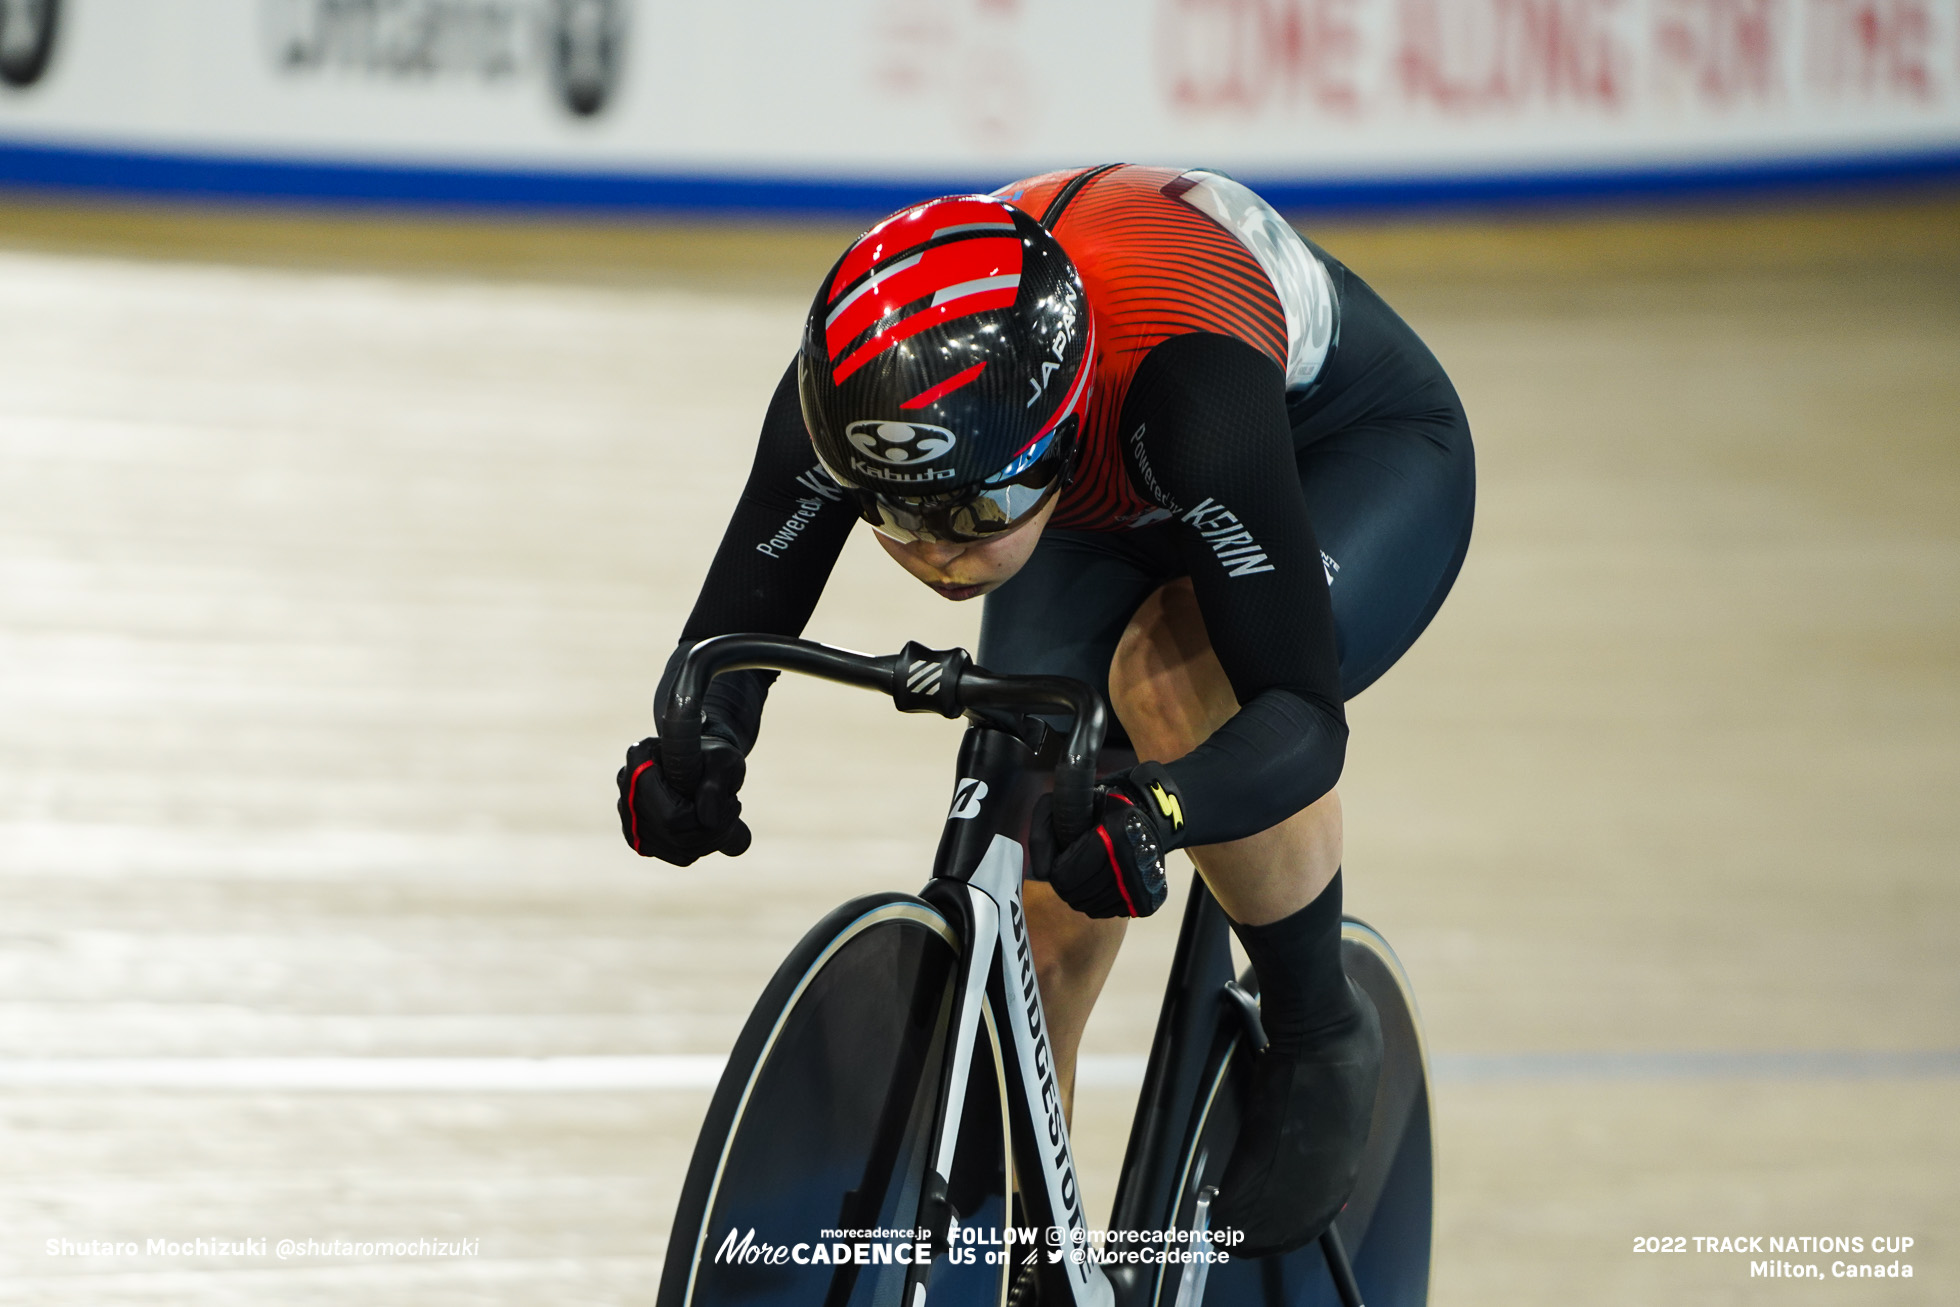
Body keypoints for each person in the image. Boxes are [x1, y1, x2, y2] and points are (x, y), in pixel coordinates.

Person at [617, 163, 1474, 1257]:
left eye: (969, 516)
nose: (936, 555)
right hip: (1085, 486)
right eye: (895, 516)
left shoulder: (1189, 396)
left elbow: (1298, 714)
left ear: (1062, 437)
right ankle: (1029, 1251)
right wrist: (699, 747)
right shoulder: (858, 393)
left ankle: (1317, 1024)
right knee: (1035, 904)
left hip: (1340, 453)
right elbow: (727, 629)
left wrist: (1158, 807)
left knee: (1175, 685)